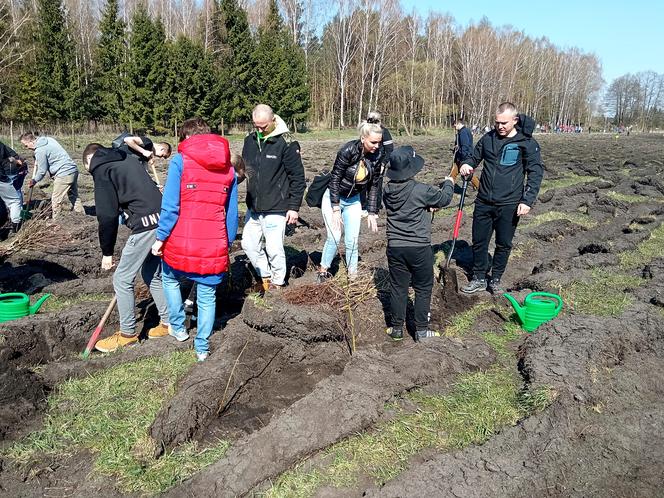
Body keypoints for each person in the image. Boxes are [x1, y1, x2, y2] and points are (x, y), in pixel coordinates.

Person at [151, 118, 238, 362]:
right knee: (207, 295)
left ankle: (178, 327)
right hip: (213, 241)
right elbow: (231, 214)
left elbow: (170, 207)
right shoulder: (228, 169)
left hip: (182, 239)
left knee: (169, 277)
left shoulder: (180, 161)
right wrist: (227, 243)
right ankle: (202, 347)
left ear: (187, 139)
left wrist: (160, 238)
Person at [82, 143, 170, 353]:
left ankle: (127, 334)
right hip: (163, 219)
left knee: (122, 278)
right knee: (151, 273)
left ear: (89, 160)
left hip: (145, 224)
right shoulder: (126, 157)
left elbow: (107, 215)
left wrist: (107, 252)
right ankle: (169, 323)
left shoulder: (101, 169)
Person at [459, 102, 544, 294]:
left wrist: (527, 200)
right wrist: (467, 164)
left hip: (510, 203)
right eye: (497, 122)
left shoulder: (527, 143)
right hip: (484, 201)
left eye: (504, 123)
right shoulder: (488, 139)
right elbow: (473, 157)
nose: (500, 127)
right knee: (479, 241)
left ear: (515, 120)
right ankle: (479, 277)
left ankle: (495, 279)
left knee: (503, 243)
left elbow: (535, 172)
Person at [383, 146, 454, 342]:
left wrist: (425, 209)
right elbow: (445, 199)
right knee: (423, 287)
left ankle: (396, 328)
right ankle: (421, 331)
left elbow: (407, 209)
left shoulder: (387, 190)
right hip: (418, 247)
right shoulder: (421, 190)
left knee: (398, 287)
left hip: (395, 247)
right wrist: (449, 183)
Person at [241, 104, 306, 291]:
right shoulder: (250, 141)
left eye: (264, 126)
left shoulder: (286, 143)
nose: (260, 130)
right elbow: (245, 170)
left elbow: (297, 177)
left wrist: (294, 207)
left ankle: (278, 283)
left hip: (277, 205)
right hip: (254, 206)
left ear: (273, 120)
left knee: (274, 248)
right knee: (248, 244)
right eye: (256, 126)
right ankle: (265, 275)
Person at [316, 121, 385, 282]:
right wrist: (335, 208)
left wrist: (372, 212)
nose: (376, 146)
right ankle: (323, 270)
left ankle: (352, 276)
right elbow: (334, 179)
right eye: (373, 142)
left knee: (352, 240)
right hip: (334, 198)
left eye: (379, 142)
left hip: (353, 200)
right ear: (363, 138)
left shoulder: (377, 155)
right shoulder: (348, 150)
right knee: (334, 236)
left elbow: (374, 185)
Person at [20, 132, 84, 218]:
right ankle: (82, 217)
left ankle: (56, 221)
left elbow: (42, 171)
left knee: (56, 199)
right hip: (72, 169)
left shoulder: (40, 150)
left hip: (63, 173)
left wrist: (34, 180)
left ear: (31, 141)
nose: (26, 148)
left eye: (26, 145)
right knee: (74, 196)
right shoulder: (49, 139)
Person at [0, 141, 28, 233]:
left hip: (10, 172)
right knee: (14, 201)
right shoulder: (2, 146)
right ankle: (16, 226)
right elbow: (15, 159)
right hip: (3, 177)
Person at [450, 119, 480, 190]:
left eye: (454, 125)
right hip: (460, 157)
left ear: (458, 123)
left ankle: (480, 187)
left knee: (468, 174)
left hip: (464, 158)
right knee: (453, 173)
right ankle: (449, 188)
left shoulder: (463, 132)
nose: (454, 127)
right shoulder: (463, 131)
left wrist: (463, 158)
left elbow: (465, 145)